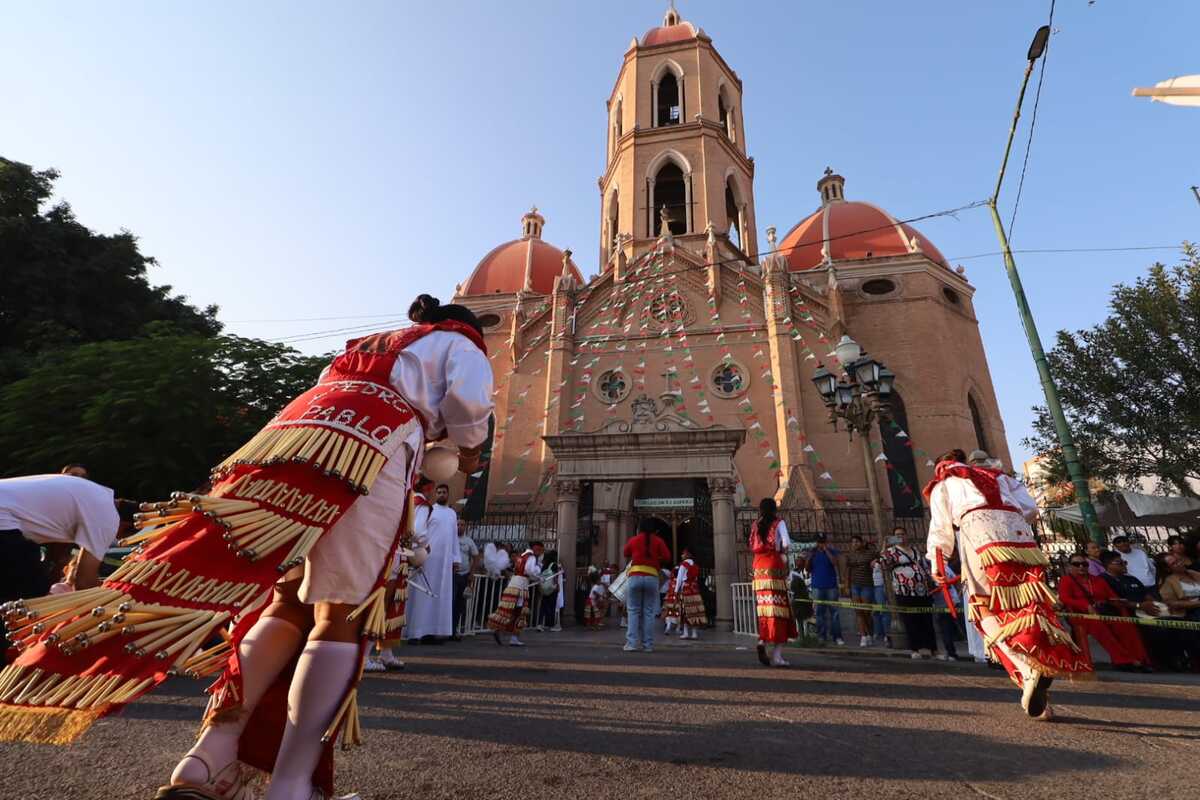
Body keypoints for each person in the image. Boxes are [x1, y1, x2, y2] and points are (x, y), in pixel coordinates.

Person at [0, 294, 495, 800]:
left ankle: (207, 757)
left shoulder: (375, 344)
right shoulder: (465, 345)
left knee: (285, 598)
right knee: (339, 611)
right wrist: (470, 450)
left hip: (286, 437)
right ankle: (291, 783)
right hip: (372, 442)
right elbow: (468, 407)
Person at [925, 448, 1089, 720]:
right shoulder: (1002, 477)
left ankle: (1027, 671)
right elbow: (1032, 510)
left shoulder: (945, 482)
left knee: (984, 608)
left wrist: (936, 562)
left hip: (980, 534)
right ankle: (1036, 689)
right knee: (1029, 605)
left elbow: (940, 527)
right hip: (1020, 537)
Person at [0, 475, 136, 658]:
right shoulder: (107, 517)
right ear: (124, 525)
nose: (113, 539)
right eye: (118, 537)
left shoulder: (94, 493)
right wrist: (113, 608)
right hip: (3, 521)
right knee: (27, 607)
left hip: (5, 515)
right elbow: (84, 582)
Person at [1058, 554, 1151, 671]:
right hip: (1081, 615)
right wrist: (1085, 605)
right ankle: (1124, 660)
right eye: (1077, 564)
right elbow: (1065, 598)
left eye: (1084, 564)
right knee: (1100, 626)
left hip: (1103, 612)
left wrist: (1118, 602)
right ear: (1070, 566)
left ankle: (1140, 659)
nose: (1081, 567)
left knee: (1125, 625)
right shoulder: (1066, 580)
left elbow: (1111, 596)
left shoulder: (1097, 580)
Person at [404, 483, 460, 644]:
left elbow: (454, 537)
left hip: (444, 562)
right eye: (439, 492)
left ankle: (433, 632)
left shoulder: (452, 514)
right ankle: (415, 633)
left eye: (444, 492)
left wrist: (456, 558)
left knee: (440, 597)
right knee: (422, 595)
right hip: (428, 559)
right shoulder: (429, 509)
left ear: (448, 494)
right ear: (435, 494)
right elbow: (418, 532)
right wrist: (417, 555)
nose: (441, 494)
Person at [750, 498, 798, 667]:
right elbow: (786, 542)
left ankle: (763, 640)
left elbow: (751, 544)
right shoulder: (779, 523)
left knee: (765, 608)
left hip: (758, 567)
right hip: (773, 565)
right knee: (780, 610)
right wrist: (784, 556)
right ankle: (777, 656)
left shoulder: (756, 524)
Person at [879, 528, 937, 659]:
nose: (900, 537)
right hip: (904, 591)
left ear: (907, 535)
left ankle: (933, 649)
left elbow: (924, 566)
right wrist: (885, 545)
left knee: (927, 620)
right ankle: (915, 649)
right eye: (897, 535)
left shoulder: (915, 550)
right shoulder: (891, 552)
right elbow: (883, 563)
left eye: (902, 534)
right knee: (910, 620)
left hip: (922, 590)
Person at [622, 519, 672, 653]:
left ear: (640, 529)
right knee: (648, 612)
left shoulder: (634, 539)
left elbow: (625, 553)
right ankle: (648, 645)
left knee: (633, 611)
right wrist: (656, 558)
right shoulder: (658, 541)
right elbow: (667, 556)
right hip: (652, 577)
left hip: (635, 576)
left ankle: (631, 643)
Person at [488, 542, 543, 646]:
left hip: (513, 585)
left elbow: (522, 570)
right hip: (521, 587)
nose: (540, 553)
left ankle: (499, 630)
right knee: (519, 612)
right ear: (536, 548)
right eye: (540, 550)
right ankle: (512, 637)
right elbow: (530, 571)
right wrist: (539, 576)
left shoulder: (521, 556)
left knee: (509, 610)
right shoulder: (531, 557)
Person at [805, 533, 844, 645]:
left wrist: (826, 550)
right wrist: (810, 556)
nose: (820, 544)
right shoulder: (812, 552)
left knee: (834, 612)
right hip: (817, 587)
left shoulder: (831, 551)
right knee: (819, 613)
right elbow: (807, 568)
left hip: (831, 586)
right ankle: (822, 636)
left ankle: (837, 637)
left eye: (822, 542)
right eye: (818, 542)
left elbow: (835, 562)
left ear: (825, 542)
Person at [844, 535, 877, 647]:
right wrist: (847, 586)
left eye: (857, 542)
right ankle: (863, 635)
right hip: (855, 586)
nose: (855, 544)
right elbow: (847, 571)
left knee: (866, 611)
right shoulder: (850, 555)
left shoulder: (870, 553)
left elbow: (880, 554)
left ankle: (870, 634)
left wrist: (875, 558)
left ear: (862, 543)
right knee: (858, 611)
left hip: (867, 585)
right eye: (853, 542)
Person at [452, 520, 480, 638]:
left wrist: (471, 573)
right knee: (450, 602)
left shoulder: (469, 541)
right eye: (457, 524)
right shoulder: (451, 539)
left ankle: (455, 629)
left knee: (460, 603)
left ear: (466, 527)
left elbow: (476, 557)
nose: (460, 527)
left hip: (464, 575)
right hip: (452, 575)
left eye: (462, 525)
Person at [675, 547, 707, 639]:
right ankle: (694, 633)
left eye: (683, 553)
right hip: (694, 589)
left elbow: (679, 579)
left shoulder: (683, 565)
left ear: (687, 554)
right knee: (694, 610)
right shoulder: (695, 565)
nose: (682, 555)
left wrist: (676, 591)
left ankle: (685, 633)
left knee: (685, 611)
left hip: (686, 589)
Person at [535, 549, 562, 632]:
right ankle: (551, 624)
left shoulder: (544, 565)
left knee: (543, 606)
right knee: (552, 606)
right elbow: (555, 577)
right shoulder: (554, 565)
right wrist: (557, 586)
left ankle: (539, 624)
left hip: (544, 588)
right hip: (551, 588)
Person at [870, 553, 891, 648]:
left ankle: (887, 634)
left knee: (883, 611)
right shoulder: (868, 560)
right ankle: (878, 632)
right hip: (871, 586)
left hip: (880, 586)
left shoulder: (882, 560)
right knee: (875, 612)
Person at [662, 562, 681, 635]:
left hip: (670, 600)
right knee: (678, 614)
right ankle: (678, 628)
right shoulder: (679, 582)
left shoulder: (671, 581)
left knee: (669, 614)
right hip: (677, 600)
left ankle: (668, 627)